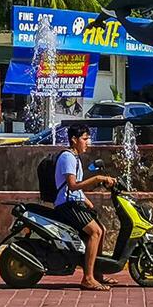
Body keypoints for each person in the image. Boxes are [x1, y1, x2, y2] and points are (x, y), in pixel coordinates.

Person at [54, 124, 117, 291]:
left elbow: (76, 190)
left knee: (101, 229)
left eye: (88, 138)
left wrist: (86, 201)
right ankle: (87, 278)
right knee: (95, 232)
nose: (87, 142)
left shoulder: (75, 158)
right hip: (67, 205)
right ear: (74, 140)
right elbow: (72, 186)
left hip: (75, 202)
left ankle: (98, 274)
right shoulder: (67, 157)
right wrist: (97, 179)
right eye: (84, 138)